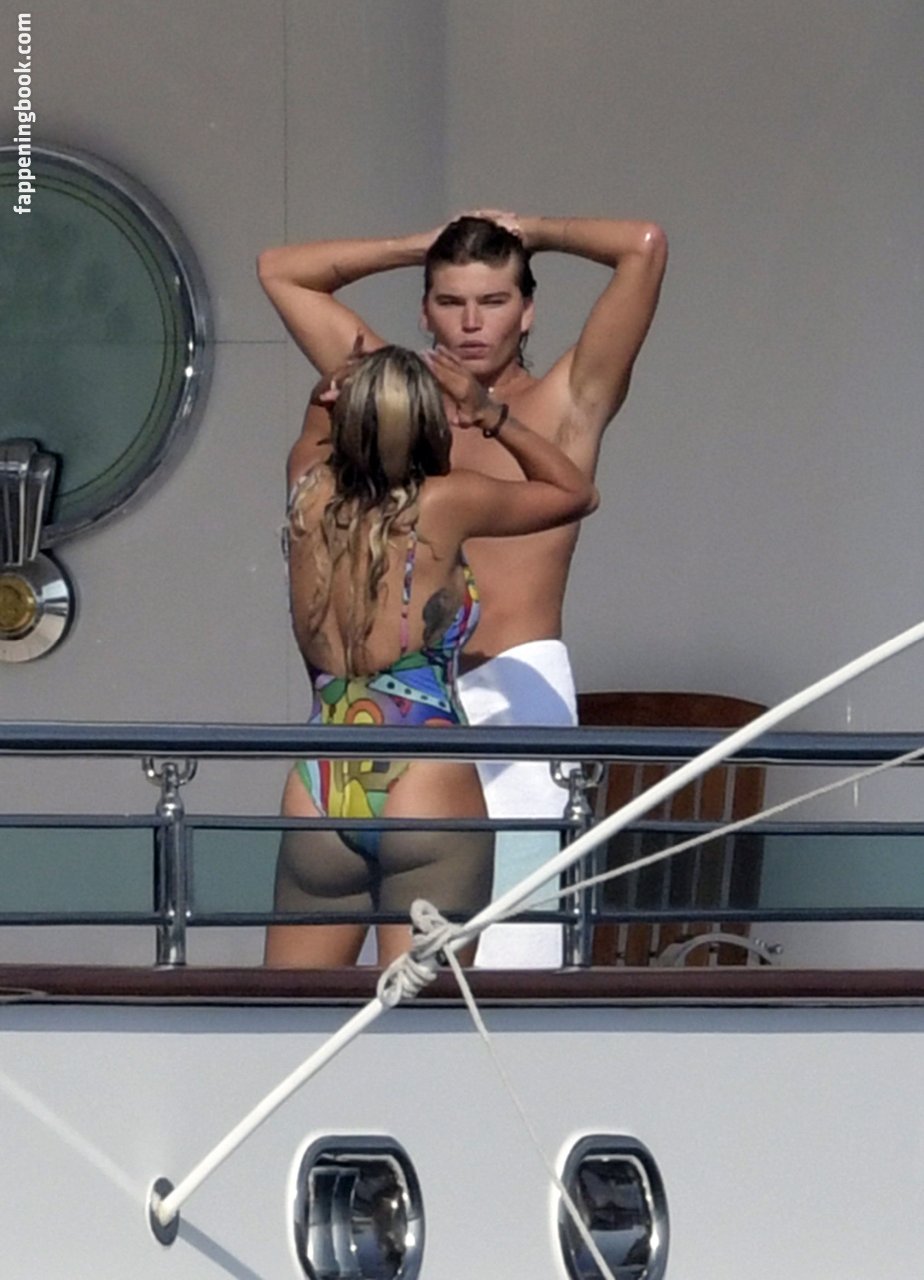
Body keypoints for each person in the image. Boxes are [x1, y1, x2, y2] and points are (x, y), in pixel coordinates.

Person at [258, 210, 666, 967]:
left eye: (494, 301)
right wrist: (422, 242)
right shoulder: (395, 395)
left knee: (511, 967)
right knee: (403, 988)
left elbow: (643, 248)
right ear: (425, 310)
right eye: (450, 301)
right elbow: (281, 272)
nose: (472, 322)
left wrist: (531, 229)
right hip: (398, 707)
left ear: (528, 310)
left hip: (511, 691)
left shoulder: (564, 400)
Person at [264, 344, 597, 968]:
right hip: (425, 780)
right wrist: (491, 413)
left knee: (292, 1011)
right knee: (427, 1018)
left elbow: (314, 426)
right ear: (428, 425)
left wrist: (327, 390)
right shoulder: (446, 502)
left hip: (321, 783)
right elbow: (574, 492)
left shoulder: (306, 489)